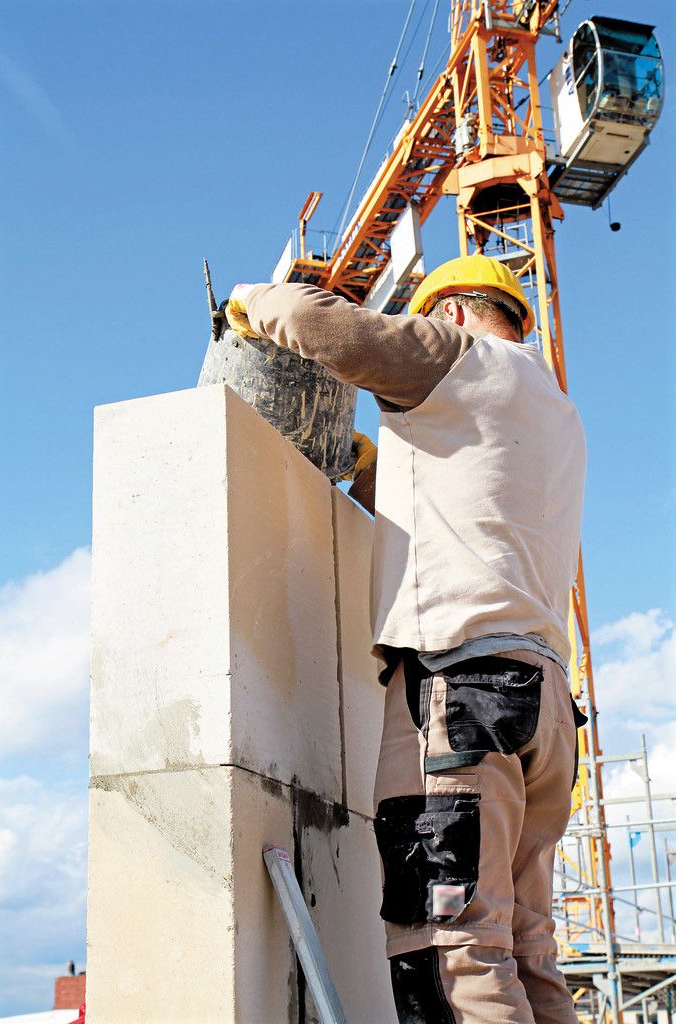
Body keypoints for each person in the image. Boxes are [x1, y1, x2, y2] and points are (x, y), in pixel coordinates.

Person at [226, 254, 586, 1024]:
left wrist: (253, 300)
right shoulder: (548, 404)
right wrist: (368, 473)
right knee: (526, 949)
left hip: (466, 697)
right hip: (543, 702)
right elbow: (459, 505)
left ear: (451, 313)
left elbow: (322, 326)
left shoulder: (457, 354)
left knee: (450, 947)